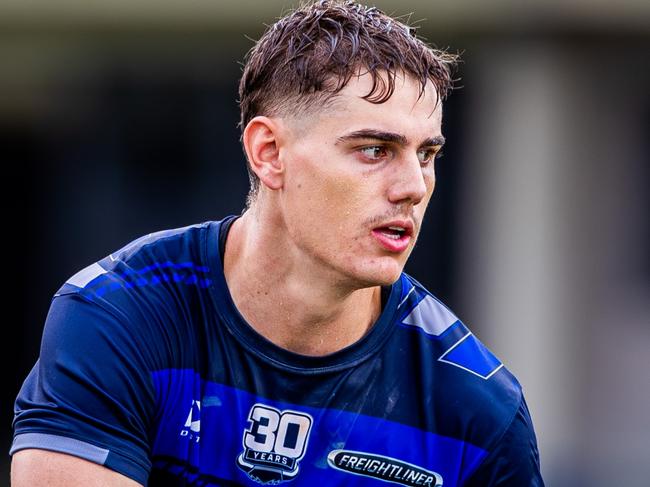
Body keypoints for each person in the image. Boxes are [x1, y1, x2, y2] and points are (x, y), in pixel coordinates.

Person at [10, 1, 543, 485]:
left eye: (426, 154)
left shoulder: (477, 410)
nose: (413, 186)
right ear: (269, 153)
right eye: (375, 150)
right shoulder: (120, 316)